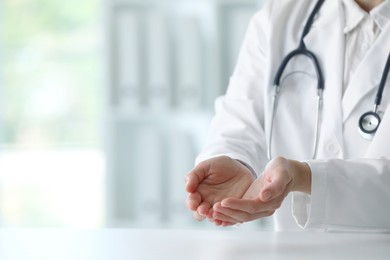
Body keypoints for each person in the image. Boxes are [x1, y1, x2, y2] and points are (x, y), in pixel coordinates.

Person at [184, 0, 390, 232]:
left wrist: (306, 177)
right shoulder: (279, 18)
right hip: (295, 250)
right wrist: (236, 160)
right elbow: (239, 120)